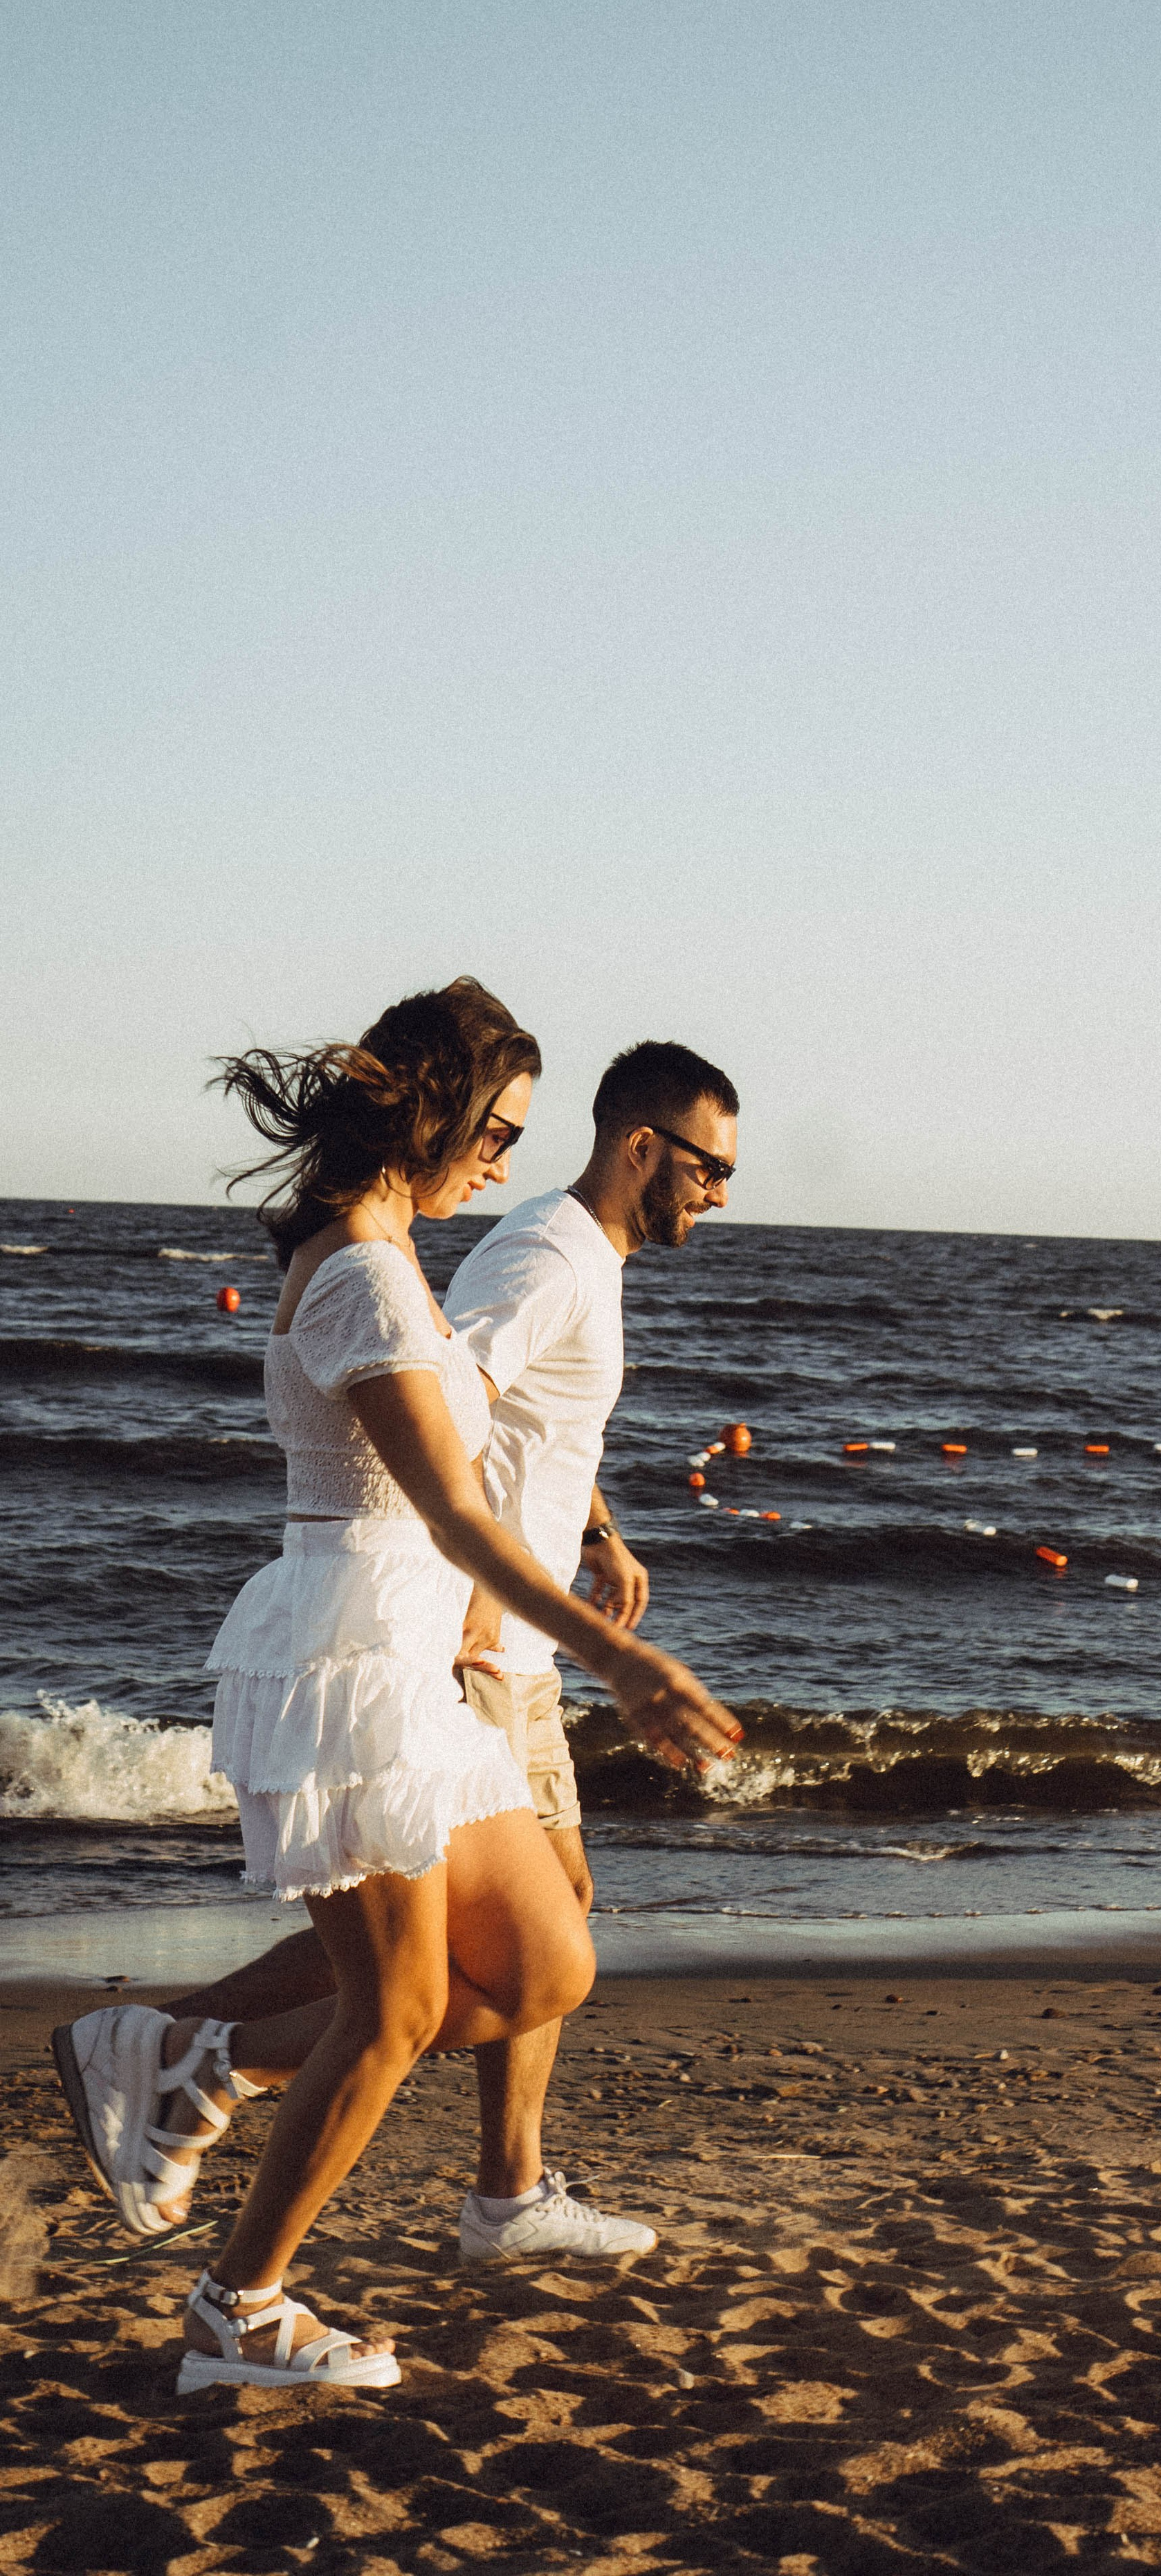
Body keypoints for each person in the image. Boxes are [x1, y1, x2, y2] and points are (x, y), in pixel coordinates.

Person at [51, 982, 740, 2394]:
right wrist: (619, 1658)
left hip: (403, 1652)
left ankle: (185, 2064)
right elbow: (454, 1508)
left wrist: (583, 1542)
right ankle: (237, 2309)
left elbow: (484, 1451)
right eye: (495, 1130)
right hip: (353, 1654)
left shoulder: (386, 1251)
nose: (503, 1160)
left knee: (543, 1965)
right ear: (430, 1113)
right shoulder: (364, 1274)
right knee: (395, 2009)